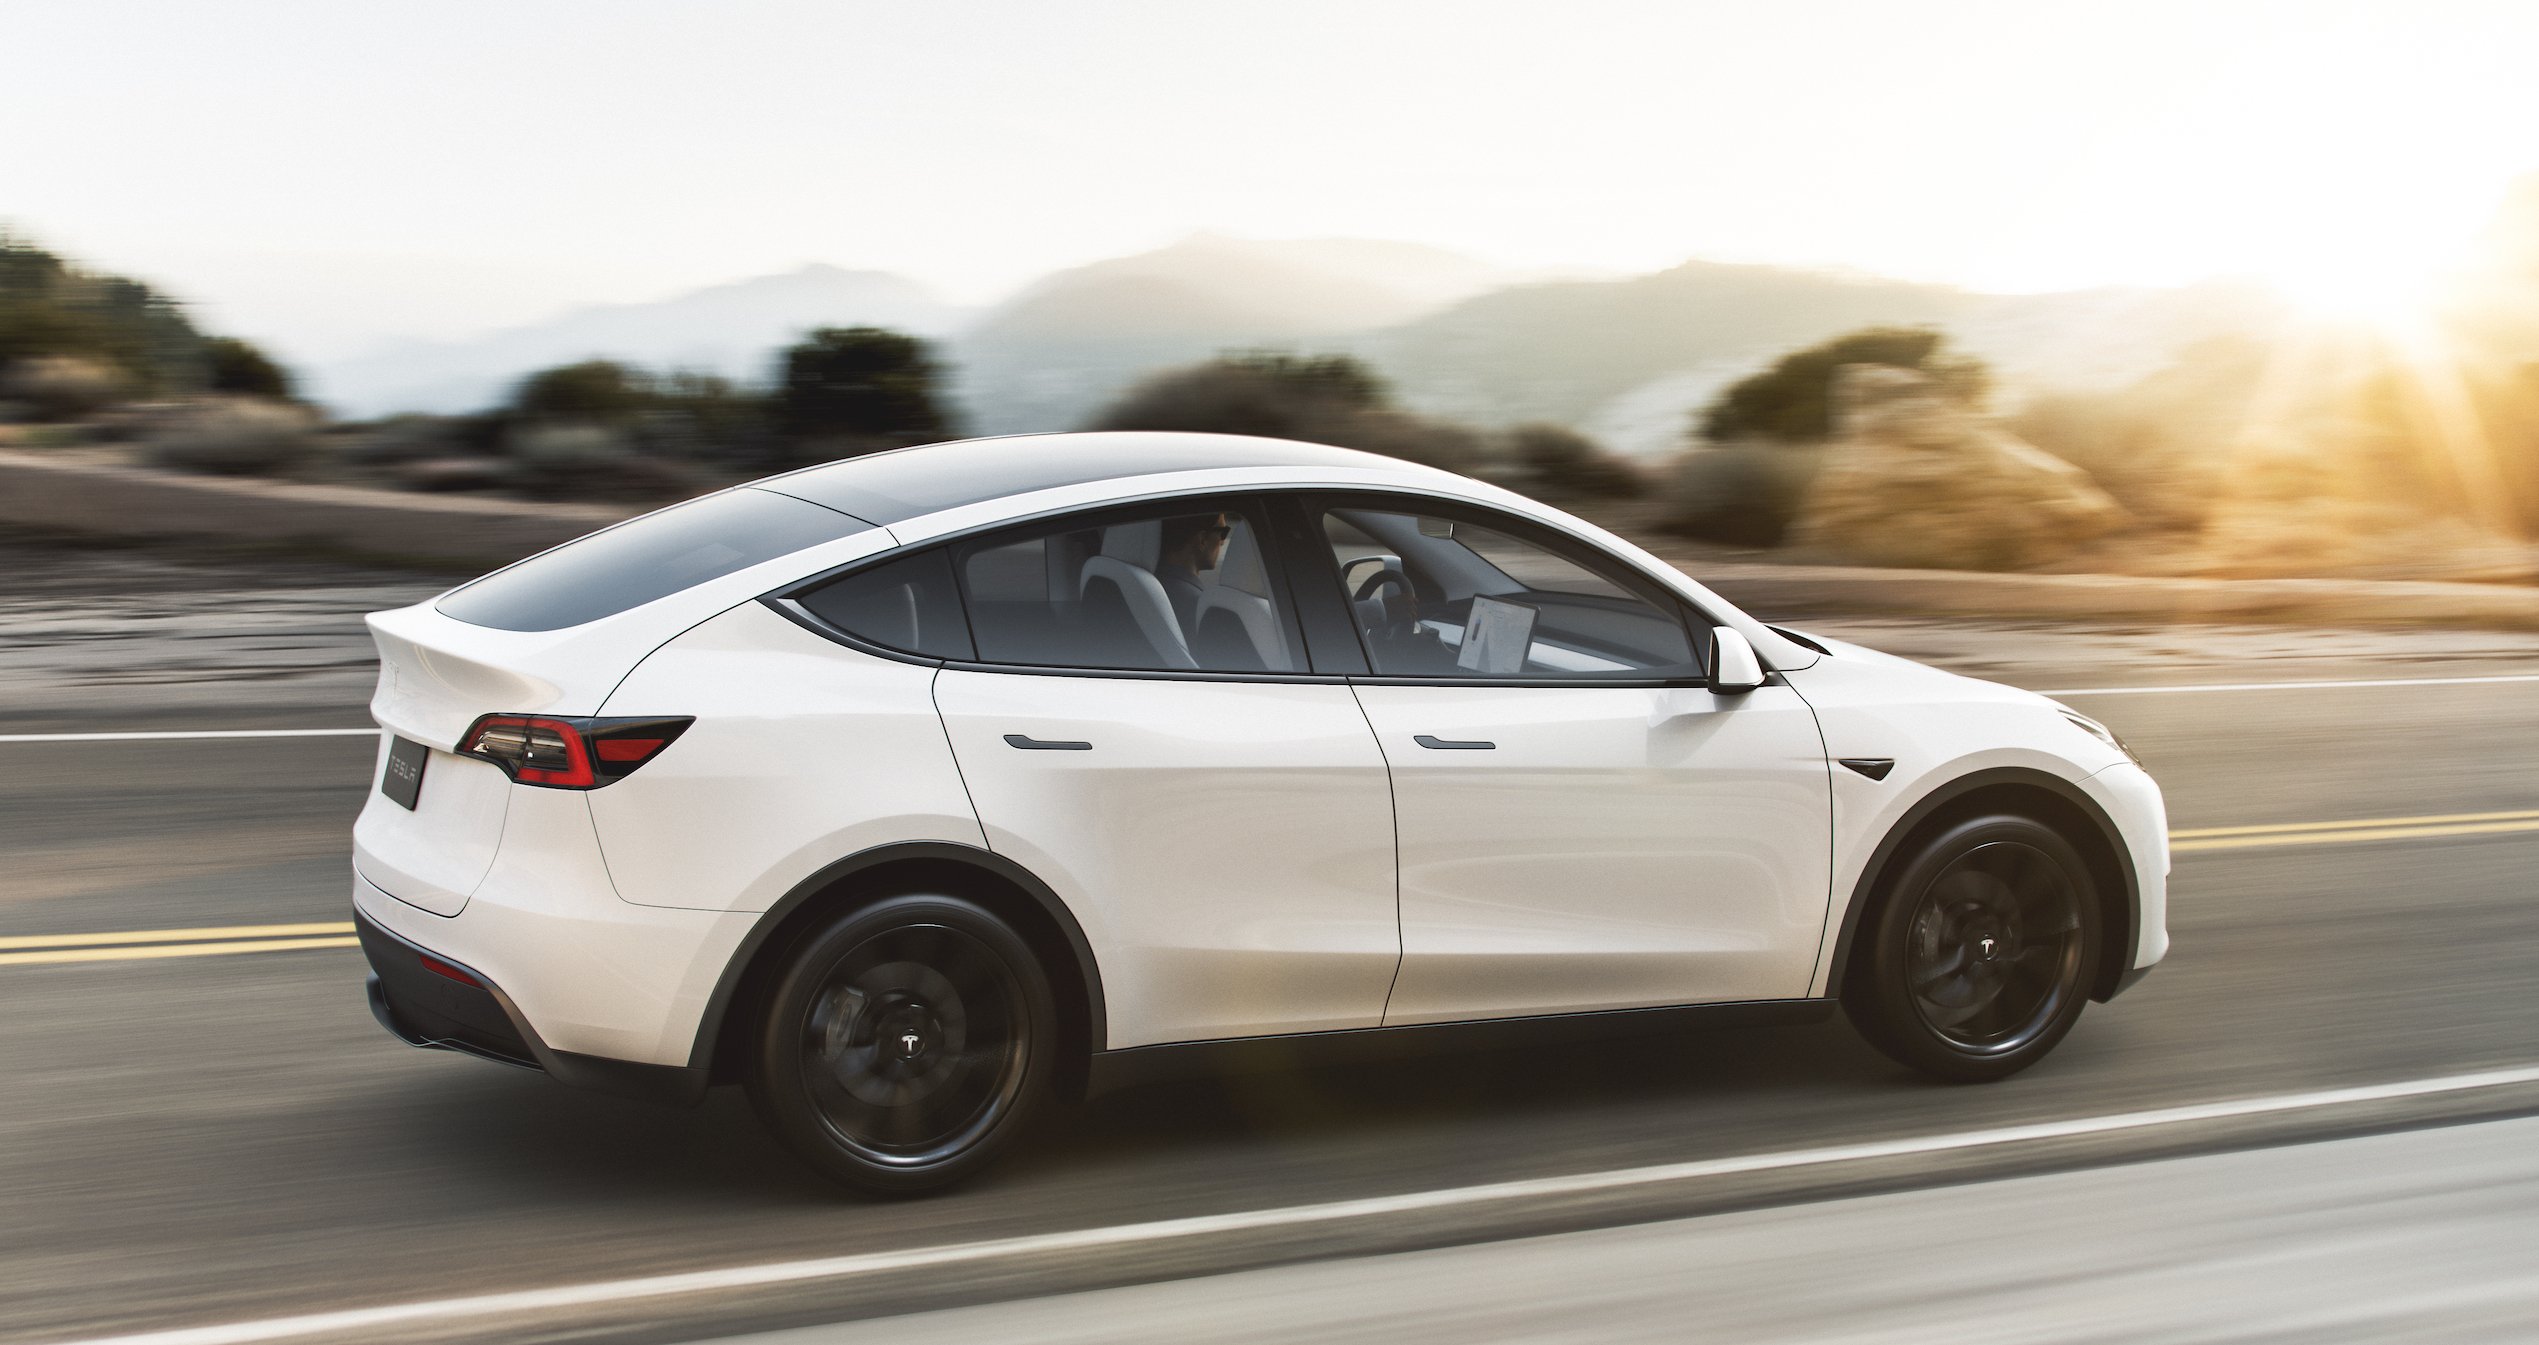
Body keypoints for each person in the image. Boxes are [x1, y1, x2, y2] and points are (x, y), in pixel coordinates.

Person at [1154, 513, 1231, 630]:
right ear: (1202, 540)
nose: (1222, 542)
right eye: (1223, 533)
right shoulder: (1202, 609)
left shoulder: (1140, 587)